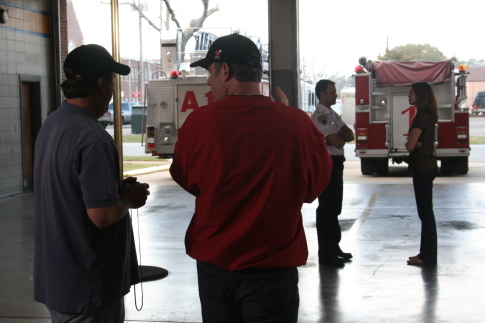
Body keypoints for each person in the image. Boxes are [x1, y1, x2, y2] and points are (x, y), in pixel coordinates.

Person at [169, 34, 332, 323]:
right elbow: (313, 188)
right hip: (272, 269)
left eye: (210, 73)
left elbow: (186, 178)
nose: (208, 82)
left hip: (215, 265)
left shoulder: (199, 123)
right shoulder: (297, 124)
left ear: (225, 71)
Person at [33, 44, 150, 322]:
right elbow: (102, 215)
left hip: (58, 280)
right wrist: (128, 199)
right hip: (88, 289)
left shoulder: (53, 124)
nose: (112, 94)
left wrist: (112, 189)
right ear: (101, 84)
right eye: (112, 83)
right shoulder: (92, 138)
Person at [311, 79, 355, 267]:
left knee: (335, 208)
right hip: (327, 163)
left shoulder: (333, 115)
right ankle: (326, 253)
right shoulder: (320, 117)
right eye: (332, 92)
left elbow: (350, 135)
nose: (335, 95)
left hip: (337, 163)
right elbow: (337, 141)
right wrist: (339, 136)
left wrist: (340, 136)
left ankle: (334, 247)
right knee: (327, 208)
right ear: (322, 94)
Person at [405, 81, 438, 265]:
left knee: (425, 214)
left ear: (420, 95)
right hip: (427, 165)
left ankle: (427, 256)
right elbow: (412, 144)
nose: (408, 96)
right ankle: (425, 253)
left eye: (411, 93)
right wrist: (412, 144)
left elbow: (410, 145)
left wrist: (411, 144)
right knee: (426, 213)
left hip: (422, 167)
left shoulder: (421, 117)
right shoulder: (427, 115)